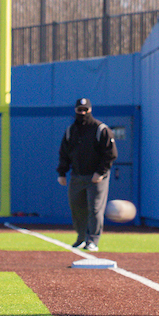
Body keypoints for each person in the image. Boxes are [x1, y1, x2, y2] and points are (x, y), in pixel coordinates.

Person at [57, 98, 117, 252]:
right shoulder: (71, 130)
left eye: (85, 110)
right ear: (76, 110)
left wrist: (100, 172)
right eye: (80, 110)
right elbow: (64, 153)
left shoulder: (100, 129)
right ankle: (81, 237)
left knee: (95, 209)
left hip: (96, 177)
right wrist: (62, 172)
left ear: (90, 110)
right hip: (77, 175)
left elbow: (111, 154)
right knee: (76, 206)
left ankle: (93, 240)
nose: (82, 113)